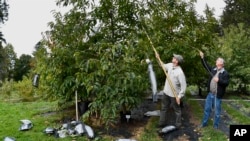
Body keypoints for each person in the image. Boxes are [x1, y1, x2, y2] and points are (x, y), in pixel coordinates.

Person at [199, 51, 230, 129]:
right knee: (207, 109)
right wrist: (202, 58)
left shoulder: (225, 73)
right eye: (216, 62)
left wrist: (218, 80)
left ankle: (215, 126)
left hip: (217, 95)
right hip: (210, 94)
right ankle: (204, 124)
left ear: (221, 64)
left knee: (216, 112)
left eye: (217, 61)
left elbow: (226, 83)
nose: (216, 62)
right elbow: (206, 66)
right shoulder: (213, 69)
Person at [158, 54, 187, 128]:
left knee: (177, 110)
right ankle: (162, 123)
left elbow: (183, 86)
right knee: (164, 108)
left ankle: (178, 124)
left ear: (177, 61)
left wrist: (179, 96)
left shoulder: (180, 73)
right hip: (166, 92)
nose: (172, 58)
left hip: (174, 95)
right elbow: (162, 65)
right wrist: (158, 58)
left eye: (174, 57)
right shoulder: (170, 65)